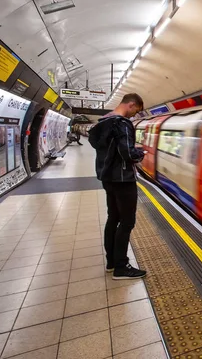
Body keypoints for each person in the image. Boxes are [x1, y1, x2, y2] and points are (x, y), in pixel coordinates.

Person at [89, 93, 147, 279]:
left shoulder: (103, 121)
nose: (133, 115)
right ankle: (122, 267)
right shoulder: (121, 123)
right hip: (123, 179)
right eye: (135, 111)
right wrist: (139, 153)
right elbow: (127, 153)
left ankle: (112, 262)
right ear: (130, 105)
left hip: (108, 178)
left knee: (113, 217)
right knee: (127, 221)